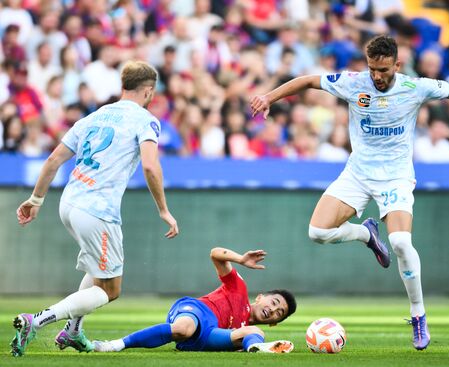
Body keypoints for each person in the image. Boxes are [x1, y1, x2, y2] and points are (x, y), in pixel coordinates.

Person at [250, 35, 449, 351]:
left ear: (397, 65)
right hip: (358, 174)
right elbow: (307, 81)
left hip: (396, 178)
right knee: (317, 231)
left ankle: (418, 316)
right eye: (373, 69)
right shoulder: (352, 82)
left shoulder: (415, 87)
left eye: (383, 70)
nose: (377, 76)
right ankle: (366, 235)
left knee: (401, 241)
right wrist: (269, 97)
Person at [11, 60, 179, 357]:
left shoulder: (94, 116)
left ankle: (73, 331)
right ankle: (35, 321)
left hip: (69, 203)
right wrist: (164, 210)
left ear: (123, 85)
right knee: (110, 290)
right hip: (98, 210)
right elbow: (151, 166)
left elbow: (52, 160)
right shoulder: (145, 120)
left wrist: (35, 200)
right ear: (149, 91)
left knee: (97, 269)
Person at [93, 247, 296, 353]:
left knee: (253, 332)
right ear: (260, 297)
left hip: (210, 336)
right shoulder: (239, 289)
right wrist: (240, 259)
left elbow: (239, 334)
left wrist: (245, 342)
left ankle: (255, 349)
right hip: (198, 312)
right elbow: (216, 254)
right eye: (274, 302)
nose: (273, 309)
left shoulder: (244, 331)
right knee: (184, 329)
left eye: (280, 313)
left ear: (275, 323)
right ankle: (115, 344)